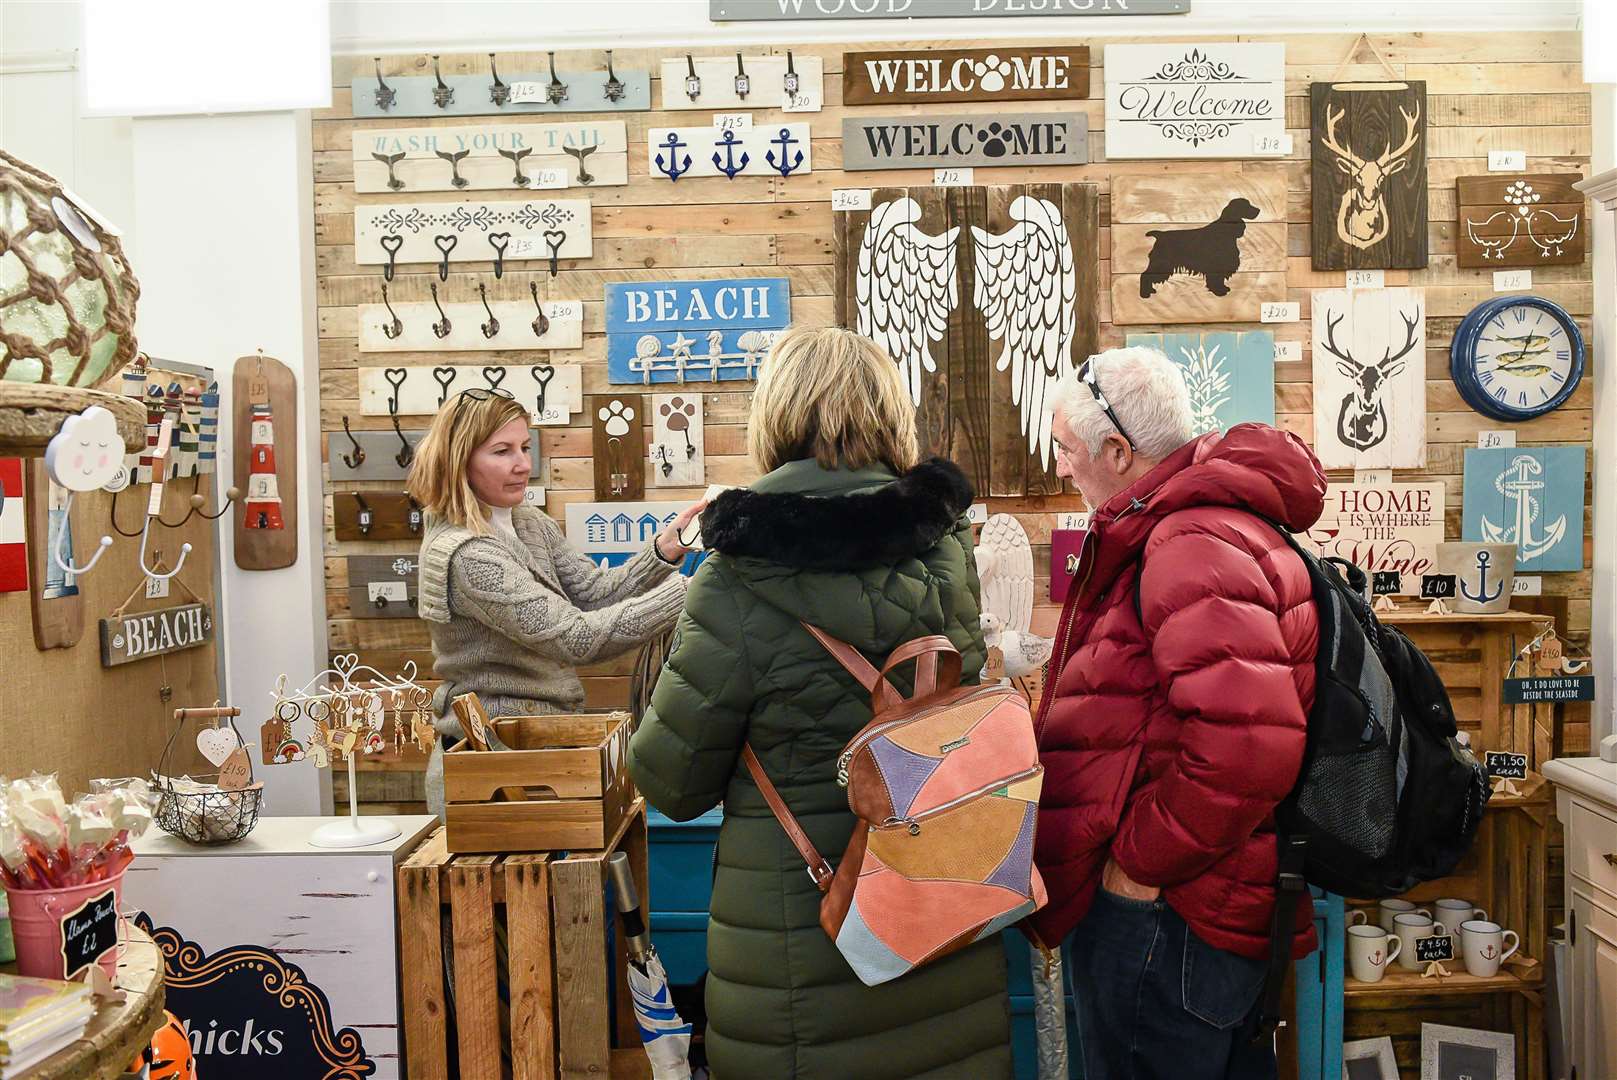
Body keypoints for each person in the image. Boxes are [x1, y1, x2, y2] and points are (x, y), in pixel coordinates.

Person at [628, 327, 1012, 1079]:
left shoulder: (736, 576)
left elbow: (670, 784)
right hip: (940, 922)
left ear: (772, 415)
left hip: (801, 945)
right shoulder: (945, 553)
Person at [1027, 347, 1327, 1080]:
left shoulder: (1187, 541)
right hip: (1199, 905)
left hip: (1171, 916)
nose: (1061, 467)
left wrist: (1135, 867)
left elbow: (1248, 749)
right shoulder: (1199, 526)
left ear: (1117, 450)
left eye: (1065, 449)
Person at [408, 388, 702, 817]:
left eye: (525, 447)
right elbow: (577, 639)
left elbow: (595, 593)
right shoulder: (468, 555)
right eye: (502, 451)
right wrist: (689, 592)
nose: (523, 464)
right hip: (491, 769)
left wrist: (665, 551)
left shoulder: (526, 522)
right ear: (460, 460)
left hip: (539, 749)